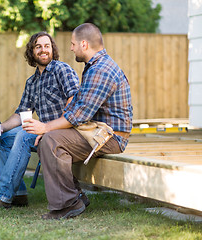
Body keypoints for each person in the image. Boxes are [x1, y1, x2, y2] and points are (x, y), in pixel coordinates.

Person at [23, 23, 133, 219]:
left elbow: (79, 115)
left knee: (51, 141)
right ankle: (75, 197)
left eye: (73, 44)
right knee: (49, 139)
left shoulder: (101, 70)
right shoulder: (94, 67)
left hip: (111, 137)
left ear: (84, 44)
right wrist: (48, 130)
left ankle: (68, 204)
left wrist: (46, 127)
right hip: (96, 132)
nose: (71, 48)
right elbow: (78, 108)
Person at [0, 32, 81, 209]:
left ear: (52, 50)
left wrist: (49, 130)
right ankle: (18, 194)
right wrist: (1, 127)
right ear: (32, 52)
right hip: (41, 129)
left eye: (47, 46)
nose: (43, 50)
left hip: (63, 131)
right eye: (38, 46)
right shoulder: (32, 82)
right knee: (0, 138)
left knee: (24, 136)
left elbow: (75, 102)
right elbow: (21, 113)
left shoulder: (62, 70)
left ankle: (2, 195)